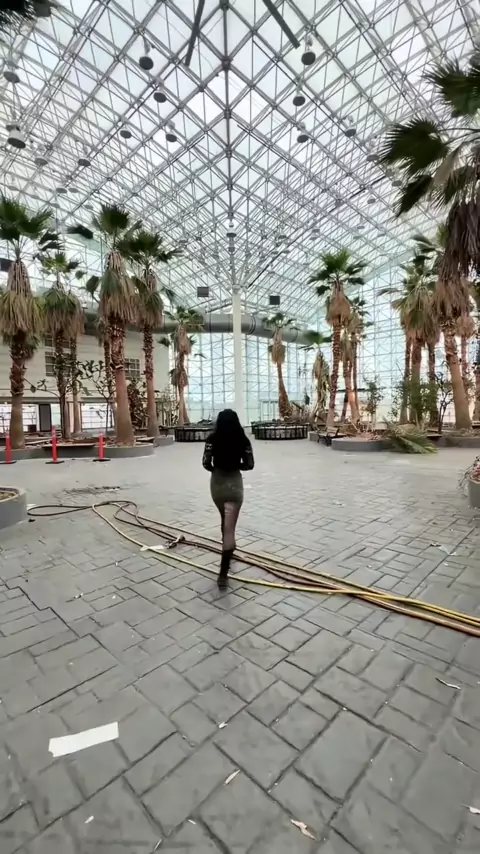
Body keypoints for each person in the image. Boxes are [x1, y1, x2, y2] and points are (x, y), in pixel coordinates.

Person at [202, 409, 254, 588]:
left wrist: (217, 469)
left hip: (217, 484)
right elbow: (249, 464)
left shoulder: (211, 439)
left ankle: (229, 548)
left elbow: (206, 463)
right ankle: (223, 573)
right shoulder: (243, 440)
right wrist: (236, 465)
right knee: (229, 526)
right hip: (234, 485)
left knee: (224, 520)